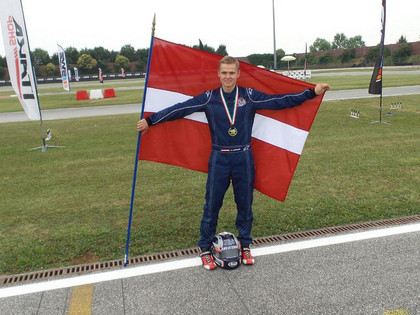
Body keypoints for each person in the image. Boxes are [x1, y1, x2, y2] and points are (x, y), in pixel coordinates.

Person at [137, 56, 330, 270]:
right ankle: (204, 247)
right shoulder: (209, 98)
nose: (228, 77)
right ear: (218, 75)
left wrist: (312, 92)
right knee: (212, 205)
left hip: (244, 157)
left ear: (238, 74)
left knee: (245, 205)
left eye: (231, 73)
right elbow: (181, 108)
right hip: (219, 158)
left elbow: (280, 101)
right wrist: (150, 120)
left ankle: (245, 244)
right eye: (224, 73)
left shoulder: (249, 96)